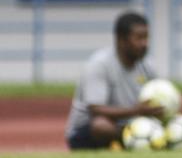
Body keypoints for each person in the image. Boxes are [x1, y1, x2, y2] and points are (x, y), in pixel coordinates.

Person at [64, 11, 163, 150]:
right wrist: (136, 111)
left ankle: (136, 140)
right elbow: (96, 110)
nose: (144, 44)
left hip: (130, 123)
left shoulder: (148, 65)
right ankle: (131, 141)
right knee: (101, 125)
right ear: (121, 40)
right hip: (86, 132)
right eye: (139, 38)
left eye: (146, 38)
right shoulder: (99, 64)